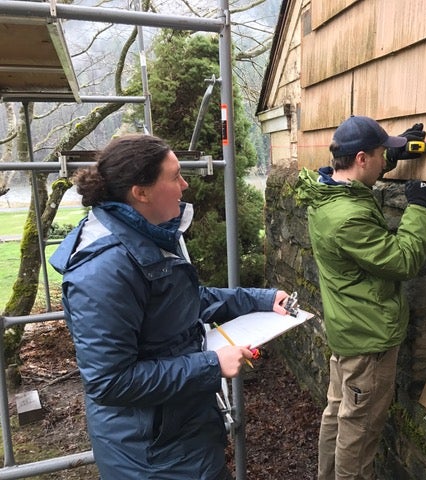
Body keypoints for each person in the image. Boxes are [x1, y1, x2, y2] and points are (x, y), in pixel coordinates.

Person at [49, 133, 291, 480]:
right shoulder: (104, 271)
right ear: (141, 192)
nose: (185, 184)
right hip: (150, 458)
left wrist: (261, 299)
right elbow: (110, 381)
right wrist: (211, 365)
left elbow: (182, 302)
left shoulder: (145, 236)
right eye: (174, 175)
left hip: (178, 437)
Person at [295, 116, 426, 479]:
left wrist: (395, 150)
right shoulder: (349, 218)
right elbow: (404, 259)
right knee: (358, 436)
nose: (382, 160)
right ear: (360, 158)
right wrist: (418, 207)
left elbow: (361, 179)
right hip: (368, 343)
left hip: (348, 332)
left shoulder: (328, 190)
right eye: (379, 154)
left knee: (338, 416)